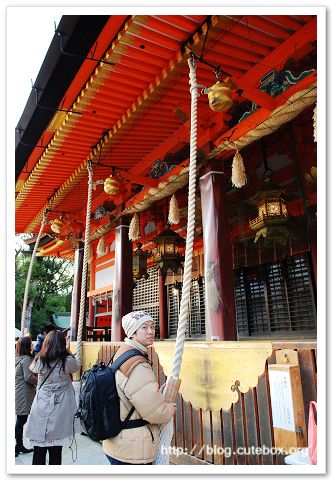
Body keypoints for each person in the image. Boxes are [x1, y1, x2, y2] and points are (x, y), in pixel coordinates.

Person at [102, 311, 177, 465]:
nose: (150, 331)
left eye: (152, 326)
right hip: (132, 447)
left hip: (118, 441)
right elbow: (154, 412)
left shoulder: (122, 353)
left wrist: (155, 396)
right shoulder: (136, 363)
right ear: (132, 332)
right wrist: (168, 410)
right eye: (144, 327)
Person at [24, 330, 80, 465]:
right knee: (56, 451)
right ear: (62, 343)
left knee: (39, 449)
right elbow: (76, 367)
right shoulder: (68, 361)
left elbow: (33, 369)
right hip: (60, 408)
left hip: (41, 405)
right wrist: (68, 350)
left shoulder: (40, 359)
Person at [15, 336, 37, 457]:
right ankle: (15, 445)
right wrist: (39, 380)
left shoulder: (17, 358)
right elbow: (28, 377)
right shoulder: (25, 360)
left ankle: (19, 444)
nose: (32, 346)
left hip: (19, 392)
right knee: (21, 420)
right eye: (30, 344)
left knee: (20, 419)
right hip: (24, 394)